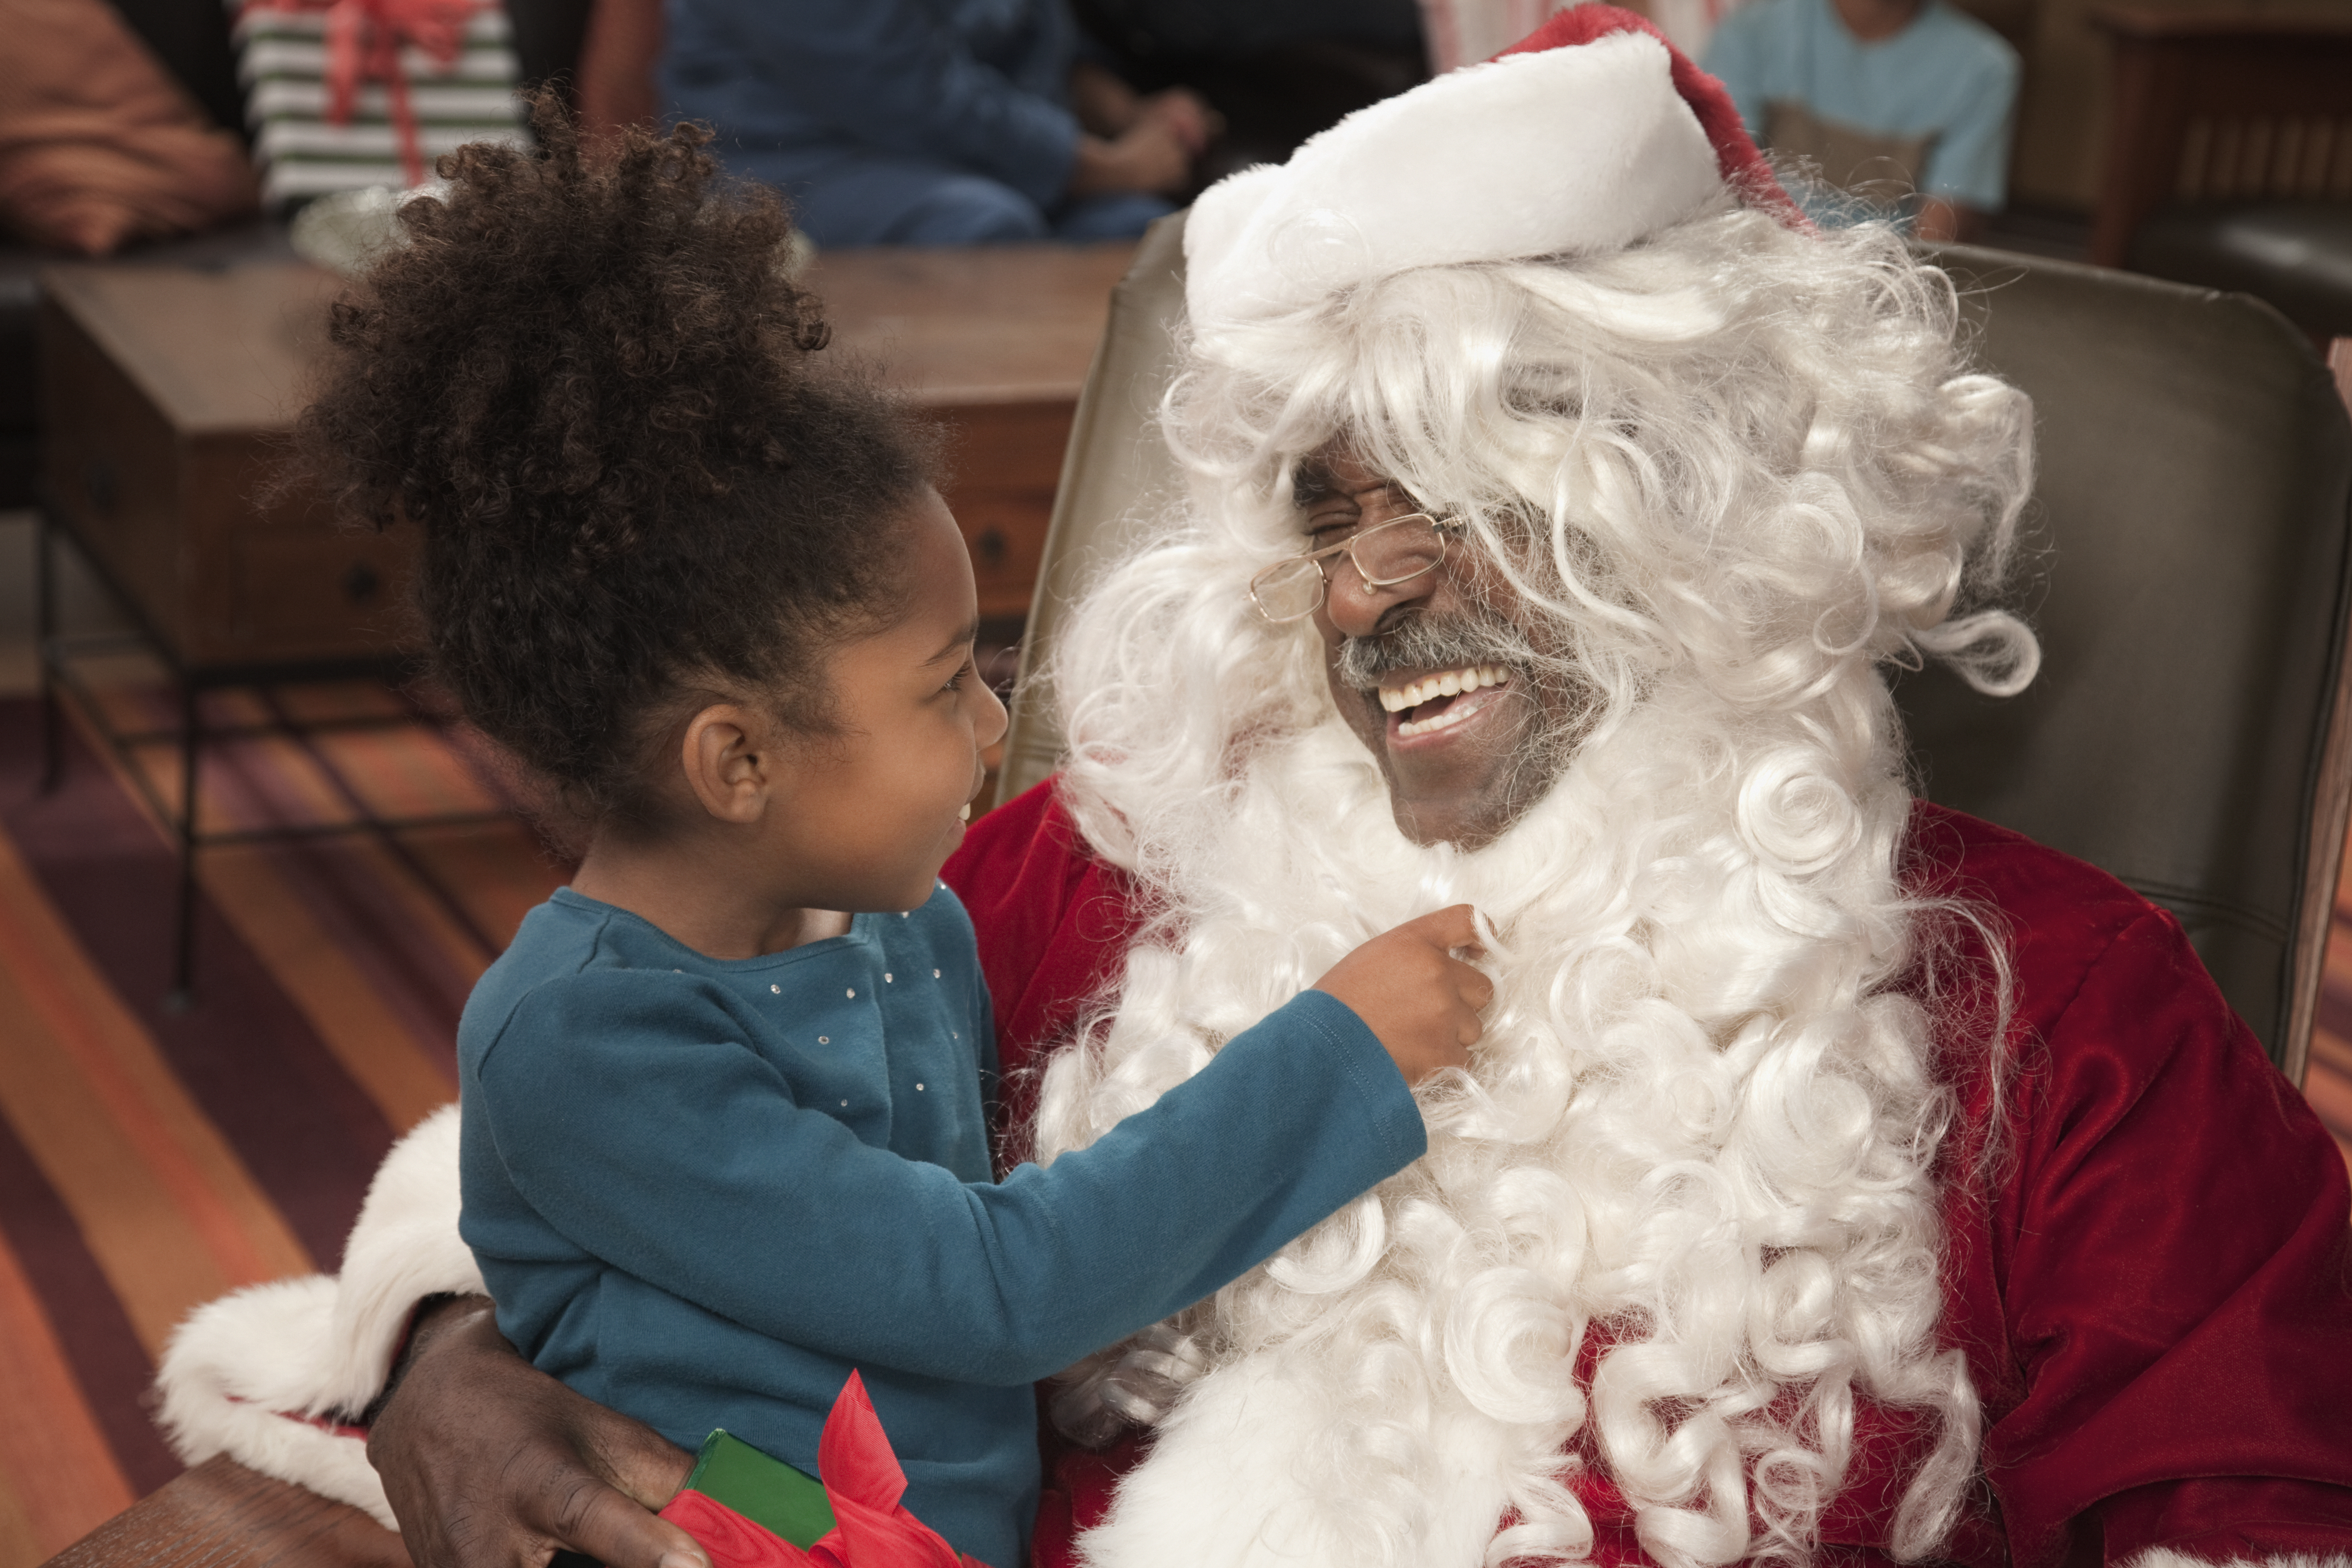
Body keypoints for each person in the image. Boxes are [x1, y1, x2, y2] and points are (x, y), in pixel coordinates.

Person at [157, 13, 2352, 1568]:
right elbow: (634, 1101)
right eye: (1329, 509)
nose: (1374, 591)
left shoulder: (2065, 1018)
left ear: (1699, 515)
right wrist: (446, 1342)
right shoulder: (1113, 869)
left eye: (1472, 495)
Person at [180, 98, 1497, 1568]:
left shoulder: (907, 923)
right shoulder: (580, 1040)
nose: (996, 729)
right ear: (737, 760)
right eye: (946, 688)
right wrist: (1340, 1053)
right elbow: (992, 1289)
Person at [663, 0, 1214, 246]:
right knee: (984, 226)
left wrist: (1125, 111)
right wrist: (1109, 167)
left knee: (1141, 236)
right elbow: (903, 92)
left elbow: (1022, 34)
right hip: (793, 156)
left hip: (966, 154)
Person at [1700, 0, 2017, 242]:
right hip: (1750, 267)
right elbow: (1713, 186)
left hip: (1883, 287)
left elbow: (1935, 246)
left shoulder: (1982, 70)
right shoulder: (1756, 28)